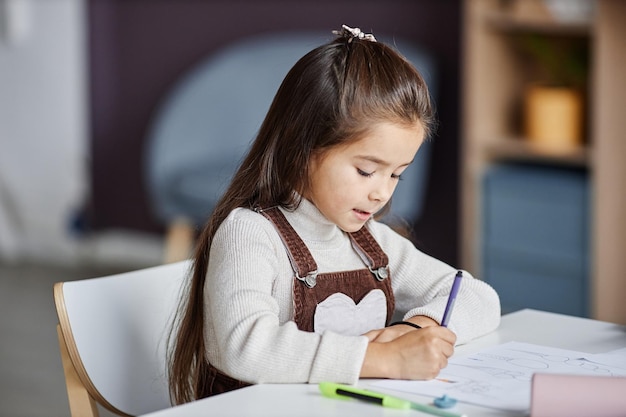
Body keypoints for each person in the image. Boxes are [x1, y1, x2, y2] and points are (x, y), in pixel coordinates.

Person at [168, 24, 500, 405]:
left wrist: (415, 328)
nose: (381, 192)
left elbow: (478, 296)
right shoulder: (250, 233)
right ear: (303, 146)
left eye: (397, 174)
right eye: (365, 170)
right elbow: (243, 346)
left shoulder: (370, 241)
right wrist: (379, 358)